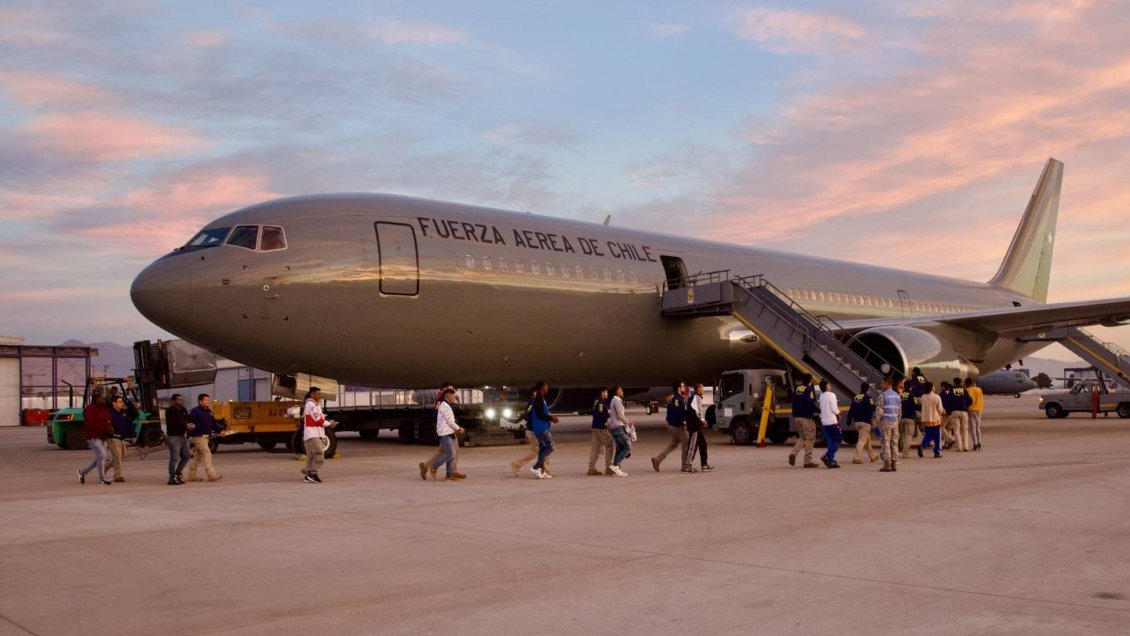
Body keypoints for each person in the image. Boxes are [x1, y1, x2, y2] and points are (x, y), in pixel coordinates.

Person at [421, 388, 464, 481]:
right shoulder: (444, 405)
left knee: (452, 453)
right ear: (448, 396)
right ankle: (433, 466)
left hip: (449, 432)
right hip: (445, 433)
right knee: (450, 453)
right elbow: (449, 421)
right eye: (453, 395)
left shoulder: (447, 405)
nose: (454, 397)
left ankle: (450, 474)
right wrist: (459, 428)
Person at [509, 386, 552, 477]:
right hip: (534, 430)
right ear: (534, 393)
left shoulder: (538, 401)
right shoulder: (534, 402)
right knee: (537, 450)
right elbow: (528, 415)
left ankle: (545, 469)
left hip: (536, 429)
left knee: (544, 448)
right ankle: (517, 464)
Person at [652, 382, 692, 472]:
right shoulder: (677, 399)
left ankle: (658, 459)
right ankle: (685, 466)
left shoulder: (673, 398)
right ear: (678, 388)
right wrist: (684, 422)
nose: (684, 388)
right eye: (682, 386)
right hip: (677, 426)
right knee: (686, 445)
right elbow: (678, 412)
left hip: (671, 425)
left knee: (673, 444)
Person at [301, 387, 337, 483]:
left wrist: (328, 422)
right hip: (312, 433)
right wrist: (329, 424)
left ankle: (308, 474)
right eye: (317, 394)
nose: (320, 395)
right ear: (312, 395)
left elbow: (320, 418)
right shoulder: (311, 405)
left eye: (320, 393)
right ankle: (312, 473)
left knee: (311, 455)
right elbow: (317, 420)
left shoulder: (315, 405)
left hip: (313, 433)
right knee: (319, 453)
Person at [78, 393, 113, 486]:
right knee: (102, 454)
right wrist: (106, 427)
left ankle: (82, 472)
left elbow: (109, 419)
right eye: (102, 399)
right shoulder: (89, 409)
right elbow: (91, 424)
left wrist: (109, 426)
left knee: (100, 457)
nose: (104, 400)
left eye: (104, 399)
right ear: (96, 399)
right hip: (93, 436)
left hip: (103, 436)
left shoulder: (105, 409)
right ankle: (102, 479)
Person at [186, 393, 222, 482]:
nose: (208, 401)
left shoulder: (209, 412)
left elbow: (213, 423)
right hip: (198, 436)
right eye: (206, 400)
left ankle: (192, 475)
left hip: (206, 437)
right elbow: (187, 421)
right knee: (207, 454)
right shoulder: (195, 411)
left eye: (208, 400)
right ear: (200, 401)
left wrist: (220, 431)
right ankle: (211, 474)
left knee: (197, 457)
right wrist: (189, 429)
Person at [529, 381, 558, 479]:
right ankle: (536, 466)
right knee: (551, 446)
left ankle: (541, 471)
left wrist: (550, 418)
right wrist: (551, 418)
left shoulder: (540, 398)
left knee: (542, 448)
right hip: (541, 428)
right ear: (542, 388)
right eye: (546, 386)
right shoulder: (538, 399)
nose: (547, 388)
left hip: (542, 427)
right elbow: (540, 414)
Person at [788, 374, 819, 468]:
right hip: (806, 418)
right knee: (810, 438)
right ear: (810, 381)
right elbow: (810, 404)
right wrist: (817, 412)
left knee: (802, 437)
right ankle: (807, 461)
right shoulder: (809, 390)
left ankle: (793, 453)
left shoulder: (797, 389)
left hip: (797, 417)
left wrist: (794, 414)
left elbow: (793, 403)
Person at [848, 382, 879, 464]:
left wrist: (848, 421)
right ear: (868, 389)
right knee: (862, 440)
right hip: (865, 422)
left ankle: (873, 456)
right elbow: (872, 408)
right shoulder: (868, 398)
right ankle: (856, 458)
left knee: (867, 440)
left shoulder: (856, 397)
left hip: (857, 422)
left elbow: (851, 410)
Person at [105, 395, 135, 482]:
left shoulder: (123, 412)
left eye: (122, 402)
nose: (122, 403)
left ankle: (103, 469)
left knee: (120, 457)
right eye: (120, 402)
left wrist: (133, 435)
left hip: (122, 438)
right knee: (117, 456)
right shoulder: (109, 413)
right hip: (113, 437)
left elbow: (130, 423)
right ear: (114, 403)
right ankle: (118, 476)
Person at [165, 394, 191, 485]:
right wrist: (185, 425)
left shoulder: (183, 410)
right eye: (179, 400)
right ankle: (171, 478)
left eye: (182, 399)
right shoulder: (170, 411)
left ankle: (177, 473)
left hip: (183, 436)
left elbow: (187, 419)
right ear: (173, 401)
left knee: (187, 455)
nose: (181, 401)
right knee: (175, 457)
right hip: (174, 437)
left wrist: (191, 424)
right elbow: (174, 423)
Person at [686, 383, 713, 471]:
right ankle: (688, 466)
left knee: (703, 444)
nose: (703, 389)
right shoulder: (695, 398)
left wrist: (702, 421)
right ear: (698, 389)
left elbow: (698, 412)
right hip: (694, 427)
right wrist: (701, 422)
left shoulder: (698, 398)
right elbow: (693, 413)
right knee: (692, 446)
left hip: (697, 426)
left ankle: (704, 464)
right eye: (702, 388)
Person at [606, 386, 632, 476]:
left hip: (614, 427)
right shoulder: (617, 401)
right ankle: (615, 465)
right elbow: (620, 415)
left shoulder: (614, 400)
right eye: (621, 390)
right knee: (628, 447)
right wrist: (627, 422)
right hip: (618, 427)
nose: (622, 391)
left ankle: (616, 469)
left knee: (620, 448)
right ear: (617, 391)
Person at [587, 388, 613, 476]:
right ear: (602, 393)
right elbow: (600, 415)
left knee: (595, 448)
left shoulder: (596, 401)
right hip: (600, 428)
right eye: (606, 392)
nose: (607, 394)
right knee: (610, 444)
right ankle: (608, 467)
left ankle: (591, 468)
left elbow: (594, 412)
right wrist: (608, 415)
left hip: (595, 427)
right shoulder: (601, 403)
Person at [878, 378, 902, 472]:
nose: (881, 385)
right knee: (894, 443)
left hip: (886, 422)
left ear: (887, 384)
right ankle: (894, 464)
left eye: (882, 383)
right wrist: (897, 421)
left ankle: (887, 464)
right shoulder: (897, 396)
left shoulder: (883, 395)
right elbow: (899, 412)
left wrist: (875, 422)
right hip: (895, 422)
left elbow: (879, 411)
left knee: (886, 443)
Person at [918, 382, 945, 458]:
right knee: (937, 438)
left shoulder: (923, 397)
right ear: (931, 388)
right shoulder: (937, 397)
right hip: (935, 420)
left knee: (928, 436)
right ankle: (937, 452)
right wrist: (943, 412)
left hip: (926, 420)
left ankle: (922, 445)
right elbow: (940, 409)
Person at [818, 380, 841, 468]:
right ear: (826, 386)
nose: (830, 385)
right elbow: (834, 409)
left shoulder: (821, 396)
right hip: (832, 422)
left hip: (824, 422)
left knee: (830, 441)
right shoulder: (831, 395)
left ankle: (832, 461)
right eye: (829, 384)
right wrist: (839, 412)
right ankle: (827, 455)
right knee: (837, 440)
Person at [898, 377, 918, 459]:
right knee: (908, 436)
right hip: (910, 418)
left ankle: (900, 449)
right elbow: (915, 405)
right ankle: (906, 453)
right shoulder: (912, 395)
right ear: (910, 386)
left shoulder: (901, 395)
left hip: (902, 417)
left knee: (902, 435)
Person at [951, 377, 972, 451]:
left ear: (954, 382)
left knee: (956, 430)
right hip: (964, 411)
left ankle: (959, 447)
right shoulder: (964, 390)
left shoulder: (952, 390)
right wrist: (966, 406)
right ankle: (965, 446)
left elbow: (948, 400)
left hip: (955, 411)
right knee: (965, 430)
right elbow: (970, 400)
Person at [966, 377, 984, 450]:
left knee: (972, 428)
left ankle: (975, 444)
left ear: (967, 384)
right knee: (978, 426)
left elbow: (968, 400)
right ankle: (979, 443)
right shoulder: (979, 389)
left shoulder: (967, 390)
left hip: (971, 409)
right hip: (979, 409)